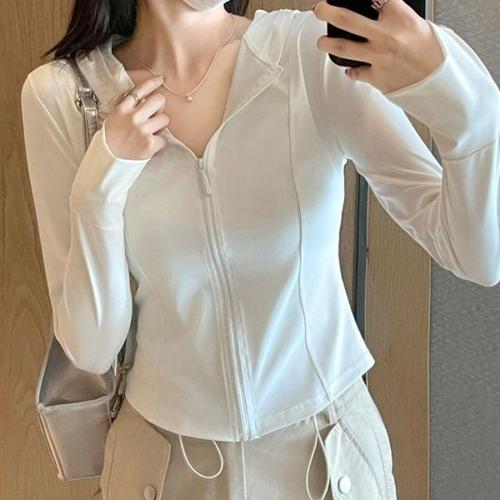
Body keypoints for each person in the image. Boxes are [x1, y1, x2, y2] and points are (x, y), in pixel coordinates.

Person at [20, 0, 499, 498]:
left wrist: (464, 101)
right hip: (164, 464)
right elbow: (91, 349)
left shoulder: (309, 52)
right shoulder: (63, 96)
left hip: (326, 454)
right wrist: (101, 186)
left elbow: (476, 255)